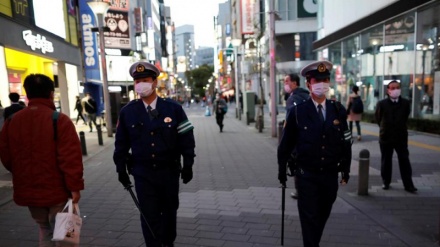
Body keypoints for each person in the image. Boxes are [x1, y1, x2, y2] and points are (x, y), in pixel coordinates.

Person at [113, 61, 196, 247]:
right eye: (137, 81)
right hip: (143, 174)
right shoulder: (128, 112)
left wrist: (188, 164)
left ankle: (168, 242)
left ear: (155, 82)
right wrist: (121, 170)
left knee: (169, 212)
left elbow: (186, 138)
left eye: (145, 80)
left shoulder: (173, 109)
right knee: (148, 214)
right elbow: (121, 144)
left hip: (169, 172)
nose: (141, 84)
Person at [0, 74, 84, 247]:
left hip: (29, 191)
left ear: (27, 94)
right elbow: (71, 159)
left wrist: (23, 173)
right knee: (66, 235)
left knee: (44, 228)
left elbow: (7, 157)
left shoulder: (12, 121)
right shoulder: (59, 120)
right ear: (51, 94)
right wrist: (75, 187)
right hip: (58, 191)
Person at [277, 61, 352, 247]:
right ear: (309, 84)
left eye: (325, 79)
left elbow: (346, 142)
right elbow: (285, 145)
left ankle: (313, 242)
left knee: (323, 212)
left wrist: (346, 169)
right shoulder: (297, 112)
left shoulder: (338, 110)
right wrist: (281, 171)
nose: (322, 84)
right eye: (317, 80)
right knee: (309, 216)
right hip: (306, 175)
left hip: (329, 174)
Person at [375, 80, 417, 193]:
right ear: (388, 90)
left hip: (401, 137)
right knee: (386, 160)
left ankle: (408, 185)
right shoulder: (382, 104)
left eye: (397, 87)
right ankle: (386, 182)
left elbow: (405, 117)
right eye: (392, 88)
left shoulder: (405, 103)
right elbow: (378, 118)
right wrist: (384, 128)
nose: (395, 90)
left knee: (404, 160)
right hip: (386, 137)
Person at [283, 73, 310, 199]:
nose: (285, 84)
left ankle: (300, 191)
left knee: (298, 166)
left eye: (287, 82)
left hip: (298, 140)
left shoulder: (292, 99)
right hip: (311, 138)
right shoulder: (308, 96)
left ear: (294, 83)